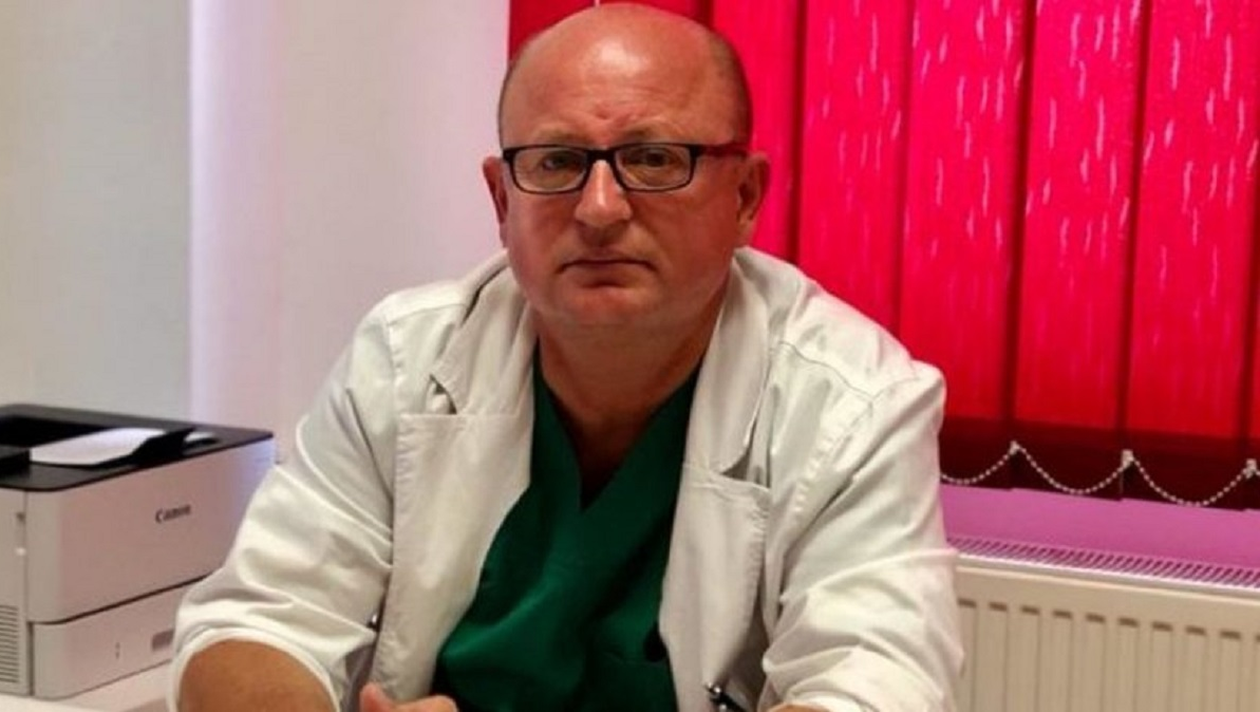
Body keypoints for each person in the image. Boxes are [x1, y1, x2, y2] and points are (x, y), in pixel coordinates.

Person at [172, 4, 963, 712]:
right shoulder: (404, 358)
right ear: (502, 200)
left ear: (746, 198)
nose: (599, 209)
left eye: (655, 158)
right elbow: (259, 620)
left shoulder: (854, 401)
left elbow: (876, 682)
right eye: (555, 163)